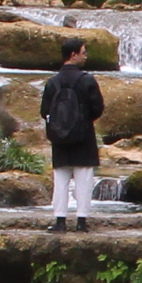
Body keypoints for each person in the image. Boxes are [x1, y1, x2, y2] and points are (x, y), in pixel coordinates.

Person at [39, 38, 106, 229]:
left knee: (60, 179)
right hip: (83, 135)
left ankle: (60, 220)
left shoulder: (53, 82)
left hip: (59, 137)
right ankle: (81, 221)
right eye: (83, 52)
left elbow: (44, 111)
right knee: (84, 178)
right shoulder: (87, 80)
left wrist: (60, 124)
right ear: (73, 55)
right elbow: (97, 108)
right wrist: (83, 120)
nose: (86, 56)